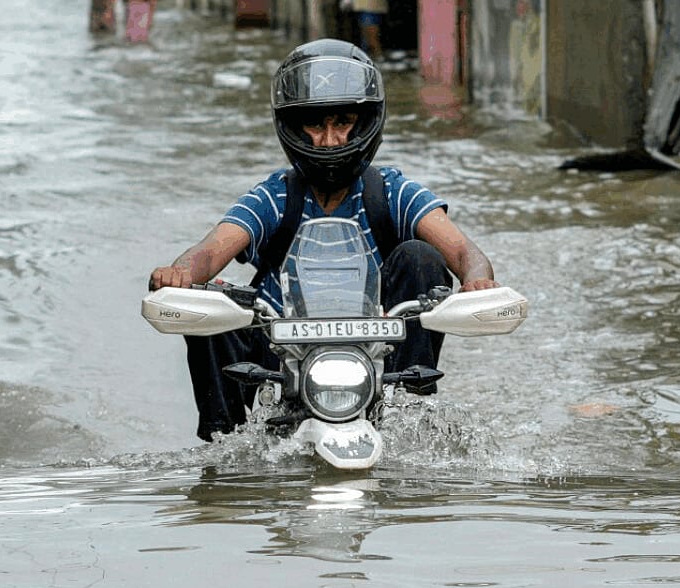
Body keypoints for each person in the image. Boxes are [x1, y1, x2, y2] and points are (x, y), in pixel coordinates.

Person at [149, 39, 499, 442]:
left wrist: (477, 281)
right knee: (209, 297)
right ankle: (225, 451)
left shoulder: (392, 193)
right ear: (293, 127)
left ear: (366, 121)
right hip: (281, 357)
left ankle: (410, 410)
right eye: (315, 125)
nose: (329, 140)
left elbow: (463, 251)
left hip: (378, 358)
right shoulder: (274, 196)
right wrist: (181, 273)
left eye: (343, 122)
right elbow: (211, 250)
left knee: (421, 256)